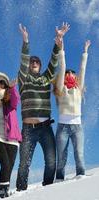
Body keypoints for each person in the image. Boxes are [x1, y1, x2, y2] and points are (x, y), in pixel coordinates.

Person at [15, 23, 70, 191]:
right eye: (32, 61)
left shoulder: (46, 79)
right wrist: (26, 41)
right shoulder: (24, 79)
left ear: (39, 65)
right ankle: (21, 191)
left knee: (51, 161)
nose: (33, 63)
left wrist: (58, 41)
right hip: (28, 128)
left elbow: (53, 64)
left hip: (46, 128)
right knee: (24, 163)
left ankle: (47, 190)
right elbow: (23, 62)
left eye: (36, 62)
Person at [54, 38, 91, 181]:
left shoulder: (78, 89)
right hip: (62, 127)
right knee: (61, 157)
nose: (69, 74)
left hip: (77, 126)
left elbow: (83, 69)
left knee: (79, 155)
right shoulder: (61, 89)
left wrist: (85, 52)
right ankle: (59, 180)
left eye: (72, 73)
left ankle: (80, 180)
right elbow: (62, 67)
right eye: (67, 73)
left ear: (75, 77)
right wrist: (61, 49)